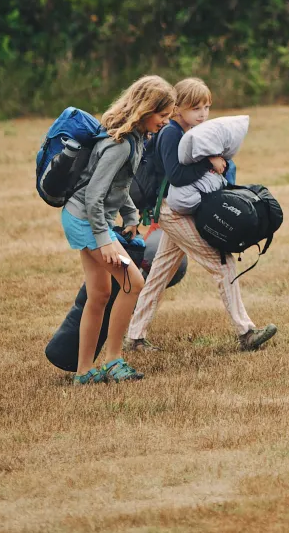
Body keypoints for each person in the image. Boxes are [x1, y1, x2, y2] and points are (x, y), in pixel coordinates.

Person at [126, 78, 277, 353]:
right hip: (172, 213)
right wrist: (210, 163)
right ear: (177, 109)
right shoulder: (171, 133)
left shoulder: (194, 132)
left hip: (179, 209)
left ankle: (135, 336)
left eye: (207, 107)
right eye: (196, 108)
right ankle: (246, 332)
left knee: (160, 273)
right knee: (223, 263)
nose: (203, 113)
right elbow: (177, 175)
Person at [62, 75, 175, 384]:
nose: (166, 122)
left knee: (99, 294)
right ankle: (113, 360)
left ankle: (84, 372)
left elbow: (118, 186)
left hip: (85, 217)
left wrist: (129, 215)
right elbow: (95, 195)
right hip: (86, 220)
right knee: (134, 284)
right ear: (146, 110)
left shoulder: (135, 140)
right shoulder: (120, 145)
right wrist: (105, 239)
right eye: (162, 116)